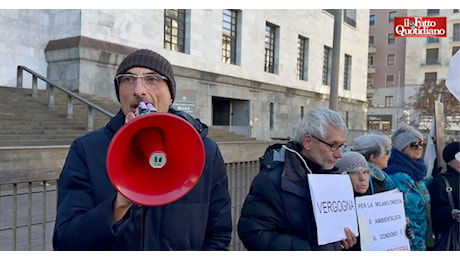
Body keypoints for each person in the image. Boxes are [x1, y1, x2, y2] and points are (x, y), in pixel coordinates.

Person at [52, 49, 232, 250]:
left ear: (171, 96)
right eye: (128, 79)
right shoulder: (86, 150)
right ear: (119, 94)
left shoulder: (205, 152)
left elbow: (218, 236)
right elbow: (65, 241)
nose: (139, 90)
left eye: (152, 79)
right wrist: (118, 206)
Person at [237, 107, 357, 250]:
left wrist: (342, 240)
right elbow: (253, 233)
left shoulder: (333, 178)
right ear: (308, 142)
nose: (339, 154)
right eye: (333, 145)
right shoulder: (273, 180)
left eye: (341, 146)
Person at [335, 151, 414, 251]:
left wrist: (402, 228)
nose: (362, 178)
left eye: (365, 172)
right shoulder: (336, 206)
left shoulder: (381, 196)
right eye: (354, 172)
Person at [384, 125, 434, 251]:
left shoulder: (416, 172)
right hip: (406, 241)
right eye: (413, 144)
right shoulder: (397, 176)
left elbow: (418, 192)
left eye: (421, 143)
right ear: (401, 148)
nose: (419, 148)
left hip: (420, 238)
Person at [428, 141, 460, 250]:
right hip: (453, 237)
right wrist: (451, 214)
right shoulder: (441, 181)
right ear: (450, 160)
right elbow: (435, 213)